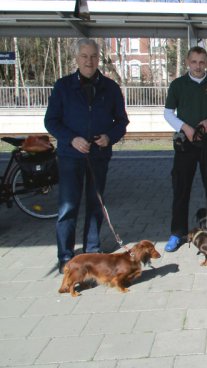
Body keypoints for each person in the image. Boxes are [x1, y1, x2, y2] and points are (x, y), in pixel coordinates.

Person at [44, 38, 129, 274]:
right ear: (76, 58)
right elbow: (51, 121)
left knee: (95, 205)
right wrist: (72, 138)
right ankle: (66, 257)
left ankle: (92, 250)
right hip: (70, 156)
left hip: (99, 156)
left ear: (98, 58)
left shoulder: (110, 88)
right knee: (68, 208)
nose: (89, 61)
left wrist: (109, 137)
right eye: (84, 56)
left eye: (93, 56)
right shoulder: (62, 86)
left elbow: (122, 122)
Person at [163, 46, 207, 252]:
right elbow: (167, 113)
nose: (198, 66)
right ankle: (177, 233)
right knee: (181, 190)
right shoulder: (178, 84)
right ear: (187, 62)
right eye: (194, 62)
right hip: (185, 146)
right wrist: (185, 128)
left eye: (202, 62)